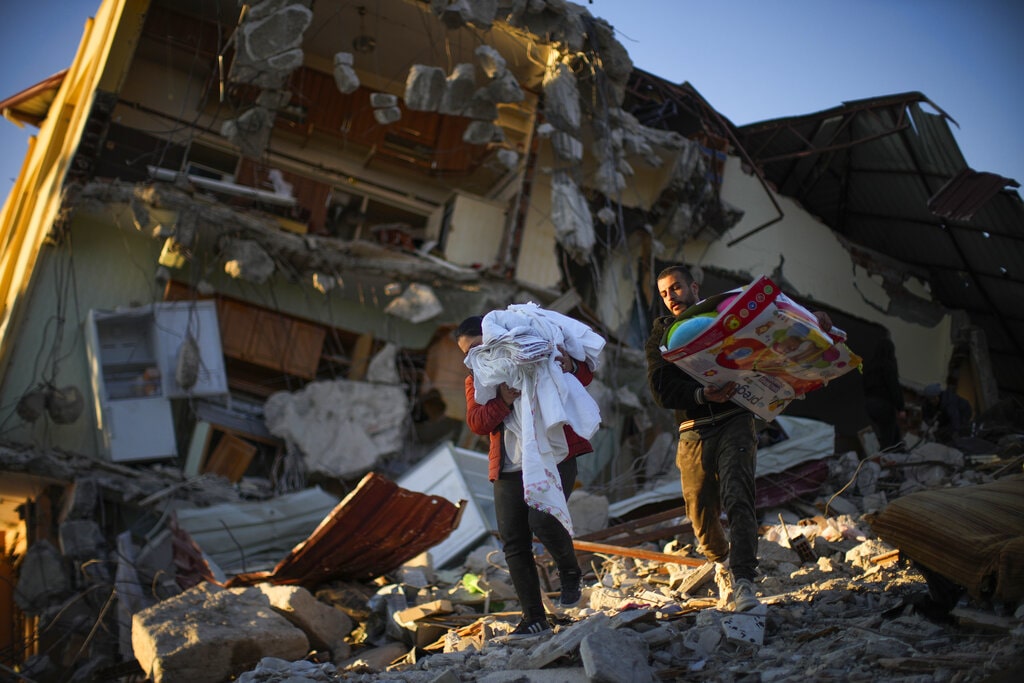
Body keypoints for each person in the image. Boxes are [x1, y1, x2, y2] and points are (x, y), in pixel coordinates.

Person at [645, 265, 832, 613]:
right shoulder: (662, 336)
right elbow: (661, 390)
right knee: (700, 510)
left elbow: (779, 325)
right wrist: (703, 394)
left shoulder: (728, 314)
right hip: (693, 430)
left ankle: (744, 579)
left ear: (693, 286)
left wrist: (813, 320)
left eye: (676, 288)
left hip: (736, 420)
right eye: (664, 293)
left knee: (739, 496)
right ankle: (721, 562)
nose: (671, 297)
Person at [455, 314, 592, 639]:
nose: (473, 356)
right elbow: (477, 422)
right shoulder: (478, 378)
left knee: (543, 522)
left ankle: (570, 571)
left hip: (555, 455)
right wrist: (502, 400)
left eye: (476, 346)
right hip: (509, 466)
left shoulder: (533, 350)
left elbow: (583, 376)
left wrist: (569, 364)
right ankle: (533, 618)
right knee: (514, 542)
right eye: (466, 353)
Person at [863, 332, 906, 451]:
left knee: (888, 430)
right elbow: (894, 387)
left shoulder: (870, 366)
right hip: (884, 404)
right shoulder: (887, 365)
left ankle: (898, 452)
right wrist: (901, 408)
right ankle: (886, 457)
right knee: (888, 434)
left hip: (870, 404)